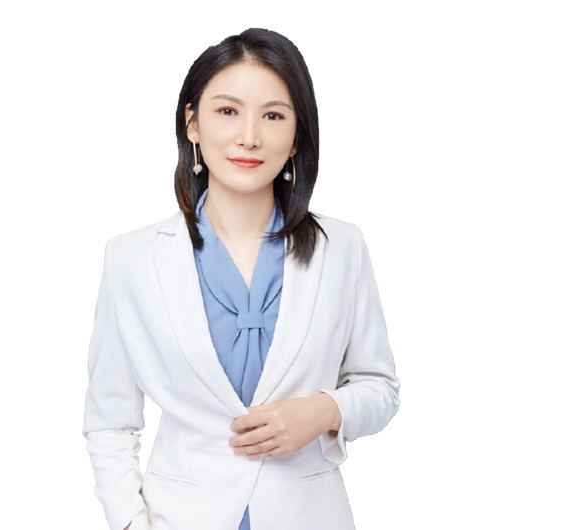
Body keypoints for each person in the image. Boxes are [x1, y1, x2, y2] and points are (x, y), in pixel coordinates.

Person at [82, 27, 399, 530]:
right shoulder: (132, 259)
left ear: (296, 137)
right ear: (192, 123)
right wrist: (129, 522)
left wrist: (325, 411)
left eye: (273, 116)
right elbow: (110, 421)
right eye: (227, 111)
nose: (249, 136)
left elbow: (379, 387)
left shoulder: (342, 248)